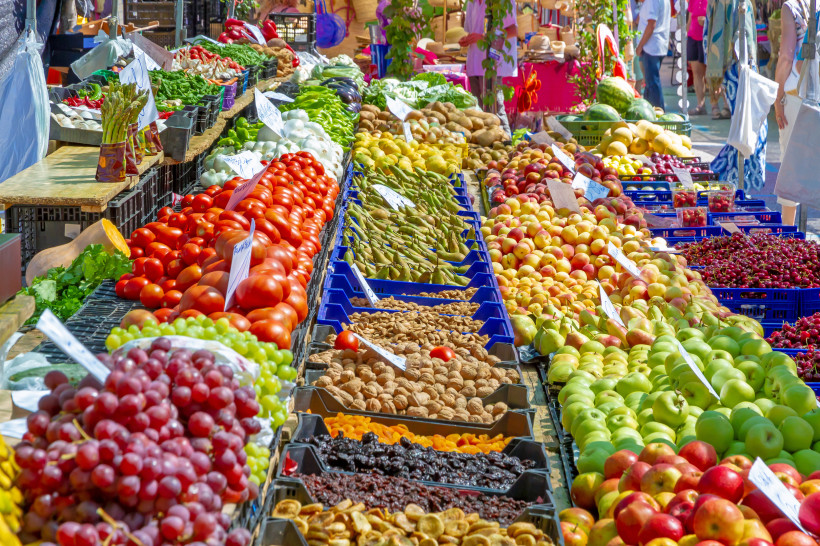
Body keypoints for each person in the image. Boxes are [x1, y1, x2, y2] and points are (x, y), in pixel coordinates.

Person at [705, 0, 766, 190]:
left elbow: (712, 35)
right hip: (740, 72)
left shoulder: (723, 3)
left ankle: (727, 176)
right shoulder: (740, 4)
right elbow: (743, 37)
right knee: (748, 130)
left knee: (742, 129)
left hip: (734, 72)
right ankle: (733, 178)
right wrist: (747, 71)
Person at [772, 0, 820, 224]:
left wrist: (777, 97)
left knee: (791, 166)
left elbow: (786, 56)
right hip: (817, 92)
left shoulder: (791, 7)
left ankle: (789, 235)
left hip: (796, 92)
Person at [458, 0, 517, 133]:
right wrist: (468, 39)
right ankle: (486, 149)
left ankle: (506, 145)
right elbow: (474, 31)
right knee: (478, 114)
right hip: (474, 62)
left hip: (492, 63)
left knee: (495, 112)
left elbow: (513, 30)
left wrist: (483, 37)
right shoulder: (472, 2)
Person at [635, 0, 671, 109]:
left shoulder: (652, 1)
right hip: (655, 46)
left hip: (651, 46)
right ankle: (650, 110)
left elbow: (652, 24)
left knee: (652, 83)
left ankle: (658, 112)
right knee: (650, 83)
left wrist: (640, 45)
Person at [687, 0, 708, 114]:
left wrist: (706, 21)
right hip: (693, 38)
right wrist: (686, 36)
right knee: (696, 73)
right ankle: (701, 105)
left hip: (707, 39)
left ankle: (717, 106)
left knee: (710, 74)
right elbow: (690, 18)